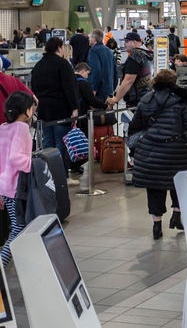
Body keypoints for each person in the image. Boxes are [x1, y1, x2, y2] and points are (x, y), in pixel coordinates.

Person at [127, 69, 187, 239]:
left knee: (155, 188)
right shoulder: (180, 101)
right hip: (176, 150)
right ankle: (176, 216)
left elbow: (135, 128)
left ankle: (157, 225)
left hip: (150, 152)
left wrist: (133, 151)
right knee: (179, 184)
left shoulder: (145, 100)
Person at [30, 37, 79, 170]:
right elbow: (70, 88)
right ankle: (61, 175)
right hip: (61, 109)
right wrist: (75, 107)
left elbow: (33, 88)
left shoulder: (38, 65)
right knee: (61, 142)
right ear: (59, 48)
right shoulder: (63, 65)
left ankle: (48, 174)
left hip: (44, 109)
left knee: (47, 142)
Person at [0, 91, 35, 266]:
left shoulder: (3, 127)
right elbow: (15, 158)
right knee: (19, 228)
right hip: (16, 187)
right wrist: (32, 165)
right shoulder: (21, 128)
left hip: (5, 187)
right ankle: (1, 263)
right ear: (27, 111)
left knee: (17, 226)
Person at [106, 32, 153, 108]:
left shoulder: (135, 55)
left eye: (127, 42)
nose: (124, 44)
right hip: (149, 98)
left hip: (137, 101)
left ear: (134, 42)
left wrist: (116, 98)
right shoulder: (147, 53)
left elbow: (129, 80)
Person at [86, 29, 118, 101]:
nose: (89, 39)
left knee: (96, 111)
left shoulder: (93, 51)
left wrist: (93, 89)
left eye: (90, 38)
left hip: (98, 91)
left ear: (94, 39)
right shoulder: (109, 51)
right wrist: (113, 87)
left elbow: (96, 71)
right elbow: (116, 71)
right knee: (107, 111)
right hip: (109, 89)